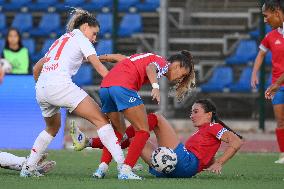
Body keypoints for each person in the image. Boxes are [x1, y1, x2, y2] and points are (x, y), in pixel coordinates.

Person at [20, 9, 126, 178]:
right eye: (94, 33)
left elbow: (36, 67)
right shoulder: (81, 39)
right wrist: (116, 85)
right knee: (101, 120)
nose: (94, 38)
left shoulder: (60, 40)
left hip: (42, 89)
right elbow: (98, 66)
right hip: (60, 86)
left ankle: (28, 167)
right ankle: (123, 168)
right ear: (85, 27)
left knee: (52, 128)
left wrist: (41, 85)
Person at [72, 51, 195, 179]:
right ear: (177, 66)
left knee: (117, 132)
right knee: (143, 130)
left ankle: (101, 169)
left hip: (105, 87)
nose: (180, 78)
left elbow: (117, 57)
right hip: (123, 87)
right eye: (183, 74)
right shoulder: (164, 63)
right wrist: (155, 86)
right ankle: (126, 170)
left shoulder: (143, 57)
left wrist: (94, 58)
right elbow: (150, 68)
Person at [72, 99, 243, 178]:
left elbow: (237, 141)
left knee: (157, 119)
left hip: (185, 163)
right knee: (136, 140)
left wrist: (220, 162)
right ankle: (88, 142)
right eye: (191, 111)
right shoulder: (203, 133)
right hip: (179, 170)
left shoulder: (214, 126)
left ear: (209, 114)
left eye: (196, 111)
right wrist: (211, 161)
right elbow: (206, 154)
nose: (191, 115)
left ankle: (119, 139)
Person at [251, 0, 284, 164]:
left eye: (266, 16)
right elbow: (261, 54)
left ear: (277, 12)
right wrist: (254, 73)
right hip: (279, 87)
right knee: (280, 121)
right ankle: (283, 154)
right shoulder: (270, 36)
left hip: (277, 85)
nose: (264, 20)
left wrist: (277, 84)